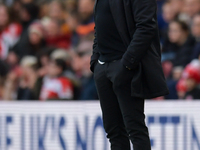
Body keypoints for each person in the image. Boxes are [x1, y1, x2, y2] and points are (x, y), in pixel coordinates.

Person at [90, 0, 169, 149]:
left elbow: (146, 27)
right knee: (114, 132)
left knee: (135, 129)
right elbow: (99, 28)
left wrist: (126, 63)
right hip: (103, 66)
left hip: (125, 67)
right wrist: (96, 60)